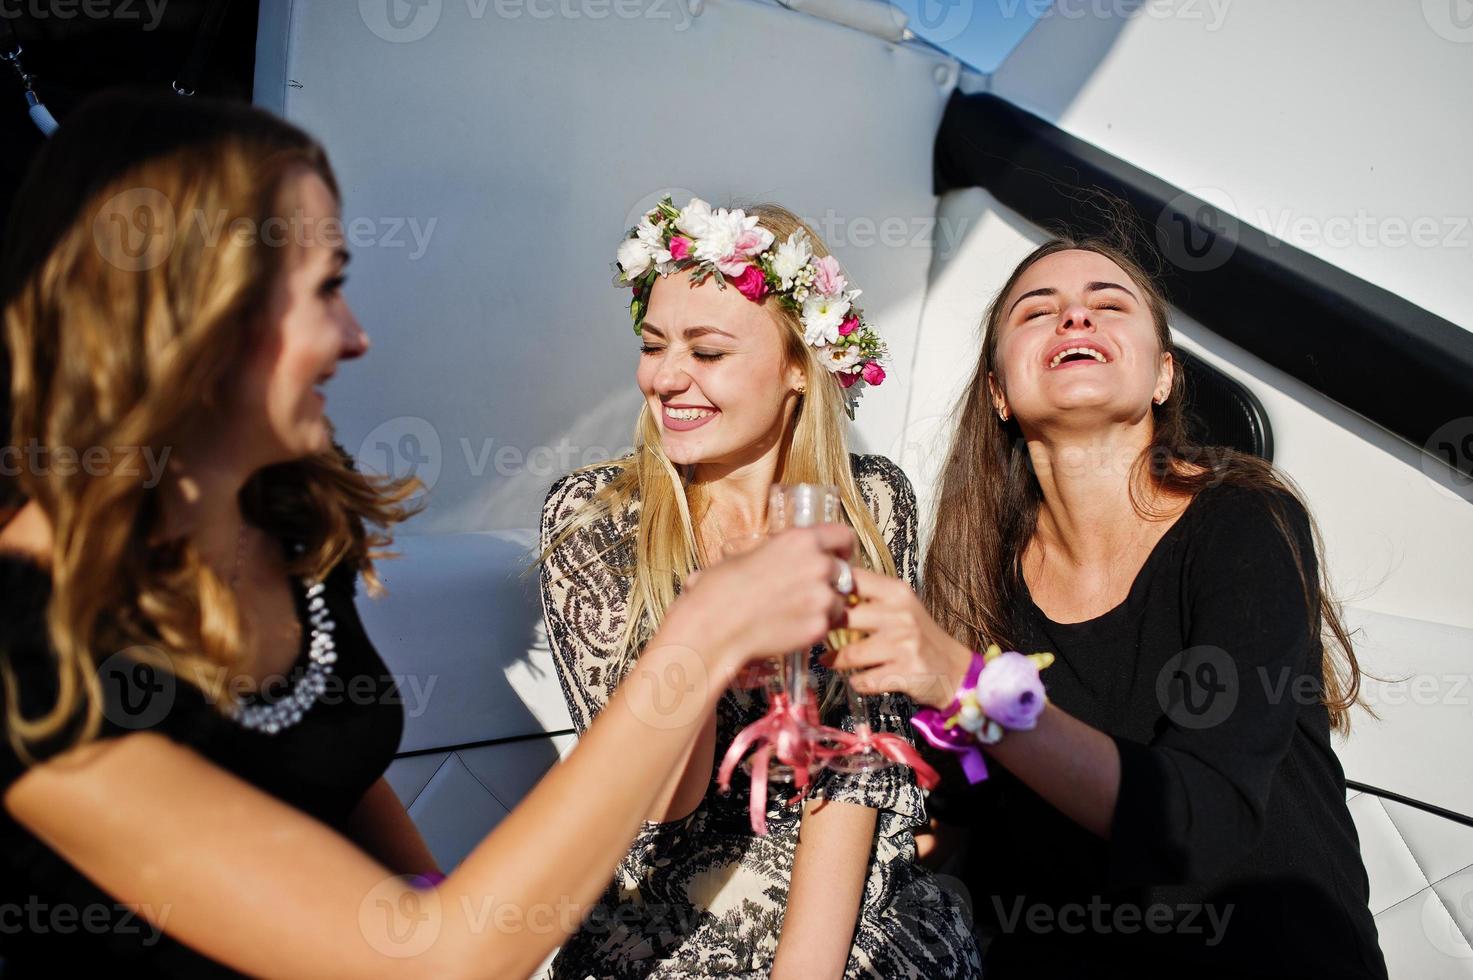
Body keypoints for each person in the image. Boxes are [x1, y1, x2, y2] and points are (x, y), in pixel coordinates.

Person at [0, 91, 855, 978]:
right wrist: (702, 637)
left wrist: (420, 876)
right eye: (325, 289)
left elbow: (329, 769)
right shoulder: (30, 651)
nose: (357, 336)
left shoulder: (286, 517)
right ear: (188, 310)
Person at [828, 237, 1388, 979]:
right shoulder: (976, 581)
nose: (1073, 320)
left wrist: (968, 690)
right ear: (997, 389)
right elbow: (960, 824)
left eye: (1107, 304)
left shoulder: (1241, 521)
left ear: (1162, 377)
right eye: (1038, 311)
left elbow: (1199, 824)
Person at [538, 197, 980, 978]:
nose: (665, 378)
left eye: (706, 352)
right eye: (652, 345)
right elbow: (655, 804)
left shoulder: (871, 503)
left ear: (798, 370)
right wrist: (714, 628)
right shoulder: (595, 518)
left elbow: (854, 764)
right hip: (668, 916)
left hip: (843, 903)